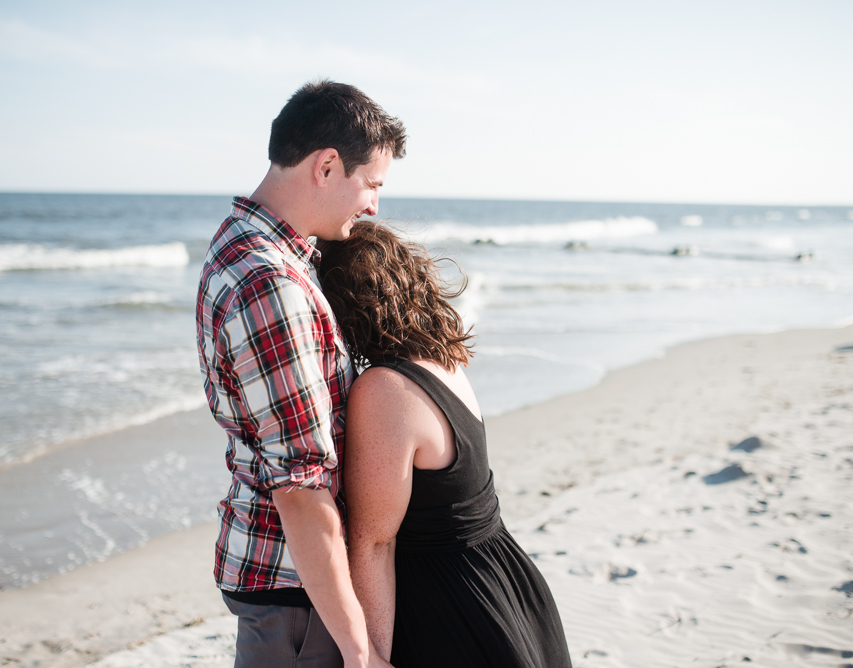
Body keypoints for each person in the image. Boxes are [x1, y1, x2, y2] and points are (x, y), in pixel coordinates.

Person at [196, 81, 405, 668]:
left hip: (288, 580)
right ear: (328, 166)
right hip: (296, 587)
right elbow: (300, 489)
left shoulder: (246, 246)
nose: (373, 206)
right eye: (373, 184)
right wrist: (360, 651)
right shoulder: (271, 284)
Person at [316, 221, 572, 668]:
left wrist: (373, 656)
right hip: (506, 581)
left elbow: (376, 543)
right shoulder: (444, 361)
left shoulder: (385, 388)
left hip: (456, 604)